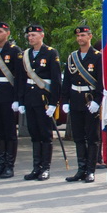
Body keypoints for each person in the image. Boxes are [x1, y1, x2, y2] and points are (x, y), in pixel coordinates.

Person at [18, 24, 62, 181]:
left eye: (34, 35)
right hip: (30, 98)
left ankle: (45, 168)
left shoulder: (50, 53)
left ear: (41, 36)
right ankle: (36, 167)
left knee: (45, 134)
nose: (31, 38)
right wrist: (21, 101)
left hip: (44, 99)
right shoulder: (25, 54)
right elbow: (22, 79)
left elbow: (56, 80)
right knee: (34, 134)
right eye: (29, 36)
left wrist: (53, 103)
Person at [61, 26, 103, 183]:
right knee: (78, 137)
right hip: (75, 99)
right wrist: (64, 101)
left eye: (83, 35)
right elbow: (67, 81)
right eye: (78, 35)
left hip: (90, 99)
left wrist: (97, 101)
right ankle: (81, 169)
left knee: (92, 137)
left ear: (90, 36)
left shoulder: (97, 57)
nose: (80, 38)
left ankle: (91, 170)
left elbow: (101, 82)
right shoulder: (72, 57)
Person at [0, 22, 23, 179]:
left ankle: (9, 166)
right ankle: (0, 164)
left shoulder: (14, 51)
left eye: (0, 31)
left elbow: (20, 77)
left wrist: (17, 99)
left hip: (7, 95)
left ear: (7, 33)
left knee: (9, 132)